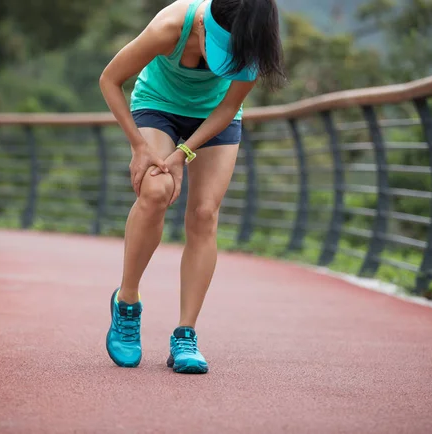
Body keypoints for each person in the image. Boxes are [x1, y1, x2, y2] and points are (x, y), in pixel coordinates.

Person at [99, 0, 285, 374]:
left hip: (215, 116)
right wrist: (138, 145)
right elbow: (110, 79)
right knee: (155, 191)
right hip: (158, 105)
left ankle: (186, 333)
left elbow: (228, 106)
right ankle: (127, 303)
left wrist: (184, 152)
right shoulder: (170, 26)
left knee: (203, 214)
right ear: (202, 24)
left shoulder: (251, 44)